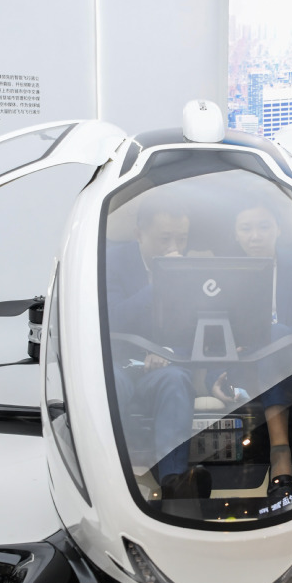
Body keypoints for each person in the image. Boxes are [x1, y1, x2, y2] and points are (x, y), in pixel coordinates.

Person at [106, 195, 211, 502]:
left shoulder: (192, 269)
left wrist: (167, 351)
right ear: (139, 233)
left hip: (163, 367)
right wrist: (160, 283)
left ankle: (174, 484)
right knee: (108, 385)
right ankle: (114, 479)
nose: (173, 248)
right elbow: (112, 320)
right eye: (164, 239)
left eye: (182, 239)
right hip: (117, 362)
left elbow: (199, 329)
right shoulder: (110, 262)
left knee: (177, 381)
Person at [227, 199, 292, 510]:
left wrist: (279, 335)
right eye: (246, 228)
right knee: (284, 358)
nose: (255, 236)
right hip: (249, 365)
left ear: (278, 230)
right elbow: (213, 328)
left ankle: (282, 465)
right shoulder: (226, 273)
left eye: (263, 227)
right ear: (236, 234)